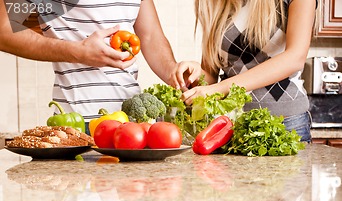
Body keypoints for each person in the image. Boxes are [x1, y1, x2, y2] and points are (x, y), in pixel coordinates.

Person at [0, 0, 201, 126]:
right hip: (78, 122)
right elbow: (4, 31)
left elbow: (149, 36)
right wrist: (77, 52)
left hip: (133, 122)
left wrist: (173, 71)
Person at [170, 0, 317, 142]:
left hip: (286, 124)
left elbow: (295, 58)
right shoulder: (214, 3)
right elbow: (210, 77)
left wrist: (219, 89)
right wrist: (194, 74)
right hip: (231, 126)